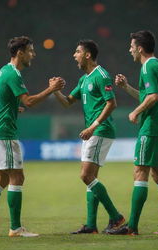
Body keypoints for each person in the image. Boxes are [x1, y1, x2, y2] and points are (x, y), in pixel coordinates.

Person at [0, 36, 65, 237]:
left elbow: (3, 100)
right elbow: (30, 101)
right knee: (17, 176)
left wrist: (14, 108)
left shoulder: (2, 71)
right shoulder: (13, 74)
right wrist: (51, 89)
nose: (33, 54)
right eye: (31, 50)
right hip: (4, 132)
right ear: (20, 53)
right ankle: (15, 228)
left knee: (2, 178)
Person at [108, 30, 158, 235]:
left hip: (152, 127)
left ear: (140, 48)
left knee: (140, 172)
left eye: (131, 46)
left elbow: (153, 97)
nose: (129, 49)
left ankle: (131, 227)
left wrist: (135, 112)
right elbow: (147, 95)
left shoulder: (147, 66)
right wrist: (127, 88)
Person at [52, 39, 125, 234]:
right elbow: (68, 102)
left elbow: (112, 103)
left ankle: (116, 217)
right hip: (93, 132)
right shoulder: (84, 79)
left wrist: (93, 126)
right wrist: (55, 91)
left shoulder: (101, 75)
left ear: (87, 55)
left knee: (85, 175)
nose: (74, 55)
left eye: (77, 52)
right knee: (91, 177)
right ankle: (91, 225)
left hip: (101, 130)